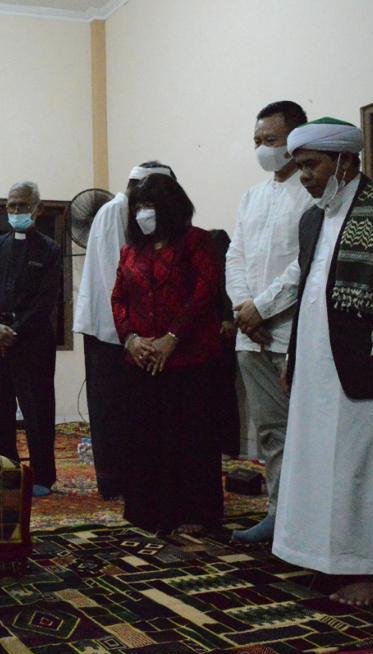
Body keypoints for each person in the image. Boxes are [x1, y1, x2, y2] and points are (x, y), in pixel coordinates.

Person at [274, 118, 373, 606]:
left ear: (346, 160)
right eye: (300, 167)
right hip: (318, 367)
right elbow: (308, 293)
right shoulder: (311, 219)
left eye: (312, 165)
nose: (305, 176)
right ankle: (329, 559)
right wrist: (294, 357)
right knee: (322, 464)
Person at [111, 173, 222, 535]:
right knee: (144, 438)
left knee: (189, 438)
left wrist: (172, 338)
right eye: (139, 206)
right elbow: (119, 299)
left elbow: (204, 293)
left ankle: (193, 513)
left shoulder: (196, 242)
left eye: (150, 205)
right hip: (141, 359)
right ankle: (146, 510)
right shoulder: (131, 251)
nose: (143, 213)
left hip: (188, 359)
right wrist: (131, 339)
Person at [226, 101, 314, 544]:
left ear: (294, 140)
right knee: (270, 433)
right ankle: (279, 516)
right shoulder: (252, 196)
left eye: (271, 140)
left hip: (292, 333)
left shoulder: (313, 192)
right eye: (257, 141)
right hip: (251, 336)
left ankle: (312, 522)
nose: (262, 148)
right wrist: (244, 309)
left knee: (308, 432)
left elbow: (306, 262)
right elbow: (235, 256)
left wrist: (262, 308)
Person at [74, 162, 176, 499]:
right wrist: (129, 333)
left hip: (131, 332)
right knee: (110, 411)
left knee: (129, 412)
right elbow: (113, 276)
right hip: (109, 330)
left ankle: (133, 479)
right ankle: (114, 483)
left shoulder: (135, 215)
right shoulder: (113, 212)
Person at [0, 181, 62, 497]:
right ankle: (5, 471)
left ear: (38, 209)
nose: (16, 211)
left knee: (37, 410)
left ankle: (42, 476)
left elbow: (46, 300)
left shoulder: (50, 250)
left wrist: (15, 330)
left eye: (23, 205)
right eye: (11, 205)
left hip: (33, 342)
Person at [209, 229, 241, 459]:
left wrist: (227, 317)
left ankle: (228, 447)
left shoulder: (215, 241)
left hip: (222, 331)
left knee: (224, 390)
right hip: (207, 333)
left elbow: (225, 283)